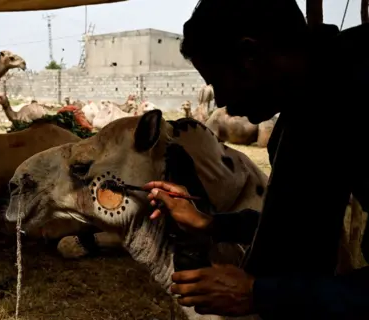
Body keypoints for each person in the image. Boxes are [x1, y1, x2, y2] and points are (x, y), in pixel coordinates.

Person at [142, 0, 369, 319]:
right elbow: (295, 225)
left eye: (218, 81)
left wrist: (260, 294)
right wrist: (209, 222)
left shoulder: (358, 94)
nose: (221, 102)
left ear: (249, 56)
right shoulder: (307, 108)